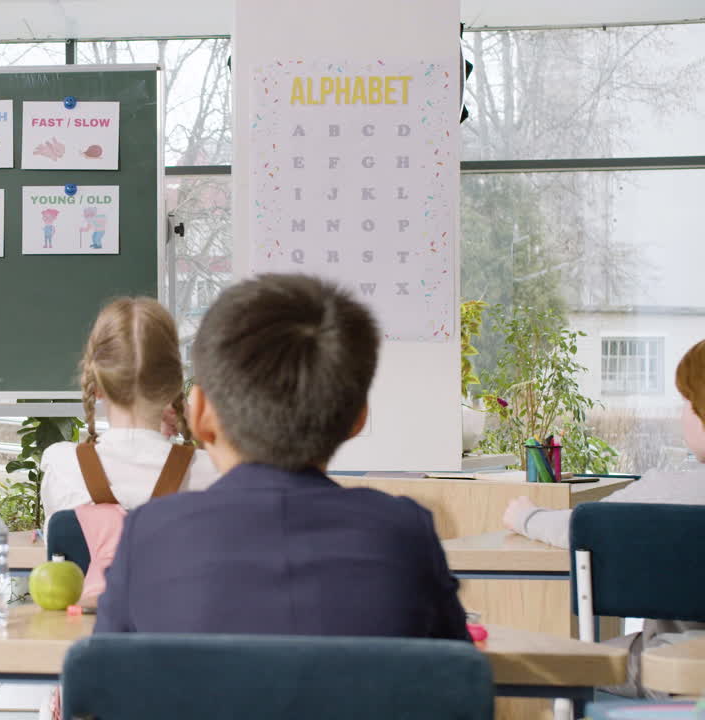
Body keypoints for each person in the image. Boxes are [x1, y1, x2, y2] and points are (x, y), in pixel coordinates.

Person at [94, 273, 469, 641]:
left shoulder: (149, 536)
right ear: (358, 419)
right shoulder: (405, 536)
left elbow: (105, 687)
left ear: (201, 415)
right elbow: (455, 686)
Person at [502, 338, 705, 698]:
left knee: (566, 663)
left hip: (672, 668)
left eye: (686, 401)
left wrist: (526, 516)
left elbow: (585, 526)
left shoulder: (667, 490)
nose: (681, 413)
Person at [39, 297, 218, 526]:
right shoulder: (211, 471)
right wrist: (197, 426)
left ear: (97, 388)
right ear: (172, 388)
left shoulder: (62, 465)